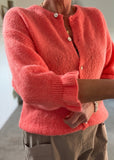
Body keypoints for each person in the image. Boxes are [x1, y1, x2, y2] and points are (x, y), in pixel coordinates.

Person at [3, 0, 114, 159]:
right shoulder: (20, 18)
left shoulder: (95, 17)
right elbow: (31, 85)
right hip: (49, 139)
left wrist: (93, 104)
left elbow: (109, 70)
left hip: (95, 131)